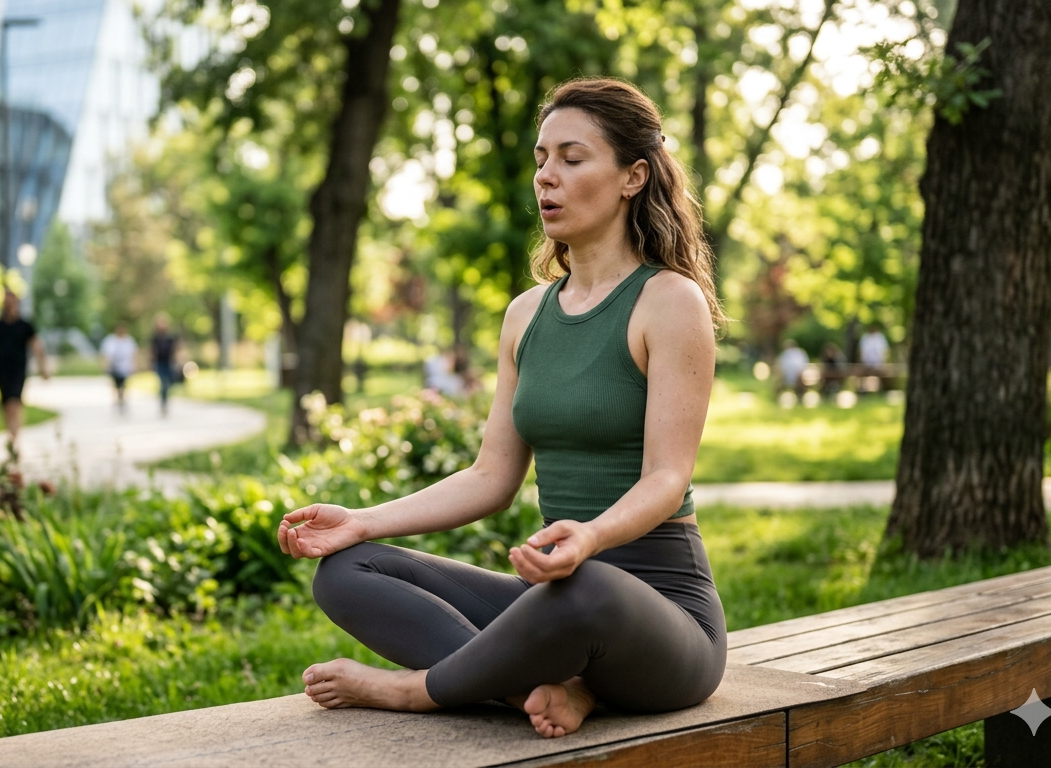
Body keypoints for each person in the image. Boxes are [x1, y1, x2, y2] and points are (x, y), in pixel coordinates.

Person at [279, 78, 727, 740]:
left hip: (660, 619)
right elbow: (491, 476)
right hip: (555, 599)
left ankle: (417, 692)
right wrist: (363, 522)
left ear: (633, 176)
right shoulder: (527, 315)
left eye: (573, 159)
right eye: (542, 160)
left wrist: (592, 538)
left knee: (588, 589)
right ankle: (547, 692)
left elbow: (666, 477)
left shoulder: (669, 301)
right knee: (347, 571)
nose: (548, 177)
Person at [0, 289, 48, 443]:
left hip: (18, 370)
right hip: (2, 370)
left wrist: (44, 368)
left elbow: (37, 347)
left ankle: (15, 438)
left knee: (14, 403)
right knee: (5, 405)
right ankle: (11, 433)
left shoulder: (25, 325)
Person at [100, 323, 139, 412]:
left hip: (125, 367)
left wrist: (134, 365)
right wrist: (105, 365)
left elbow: (134, 354)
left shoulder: (129, 341)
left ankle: (122, 398)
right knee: (116, 384)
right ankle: (117, 399)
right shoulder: (111, 341)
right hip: (114, 367)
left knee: (123, 384)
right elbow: (106, 354)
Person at [150, 313, 183, 416]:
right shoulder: (155, 338)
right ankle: (163, 403)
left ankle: (165, 399)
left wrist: (180, 361)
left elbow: (177, 349)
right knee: (163, 383)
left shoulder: (171, 337)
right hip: (159, 363)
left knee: (169, 383)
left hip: (170, 362)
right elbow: (152, 352)